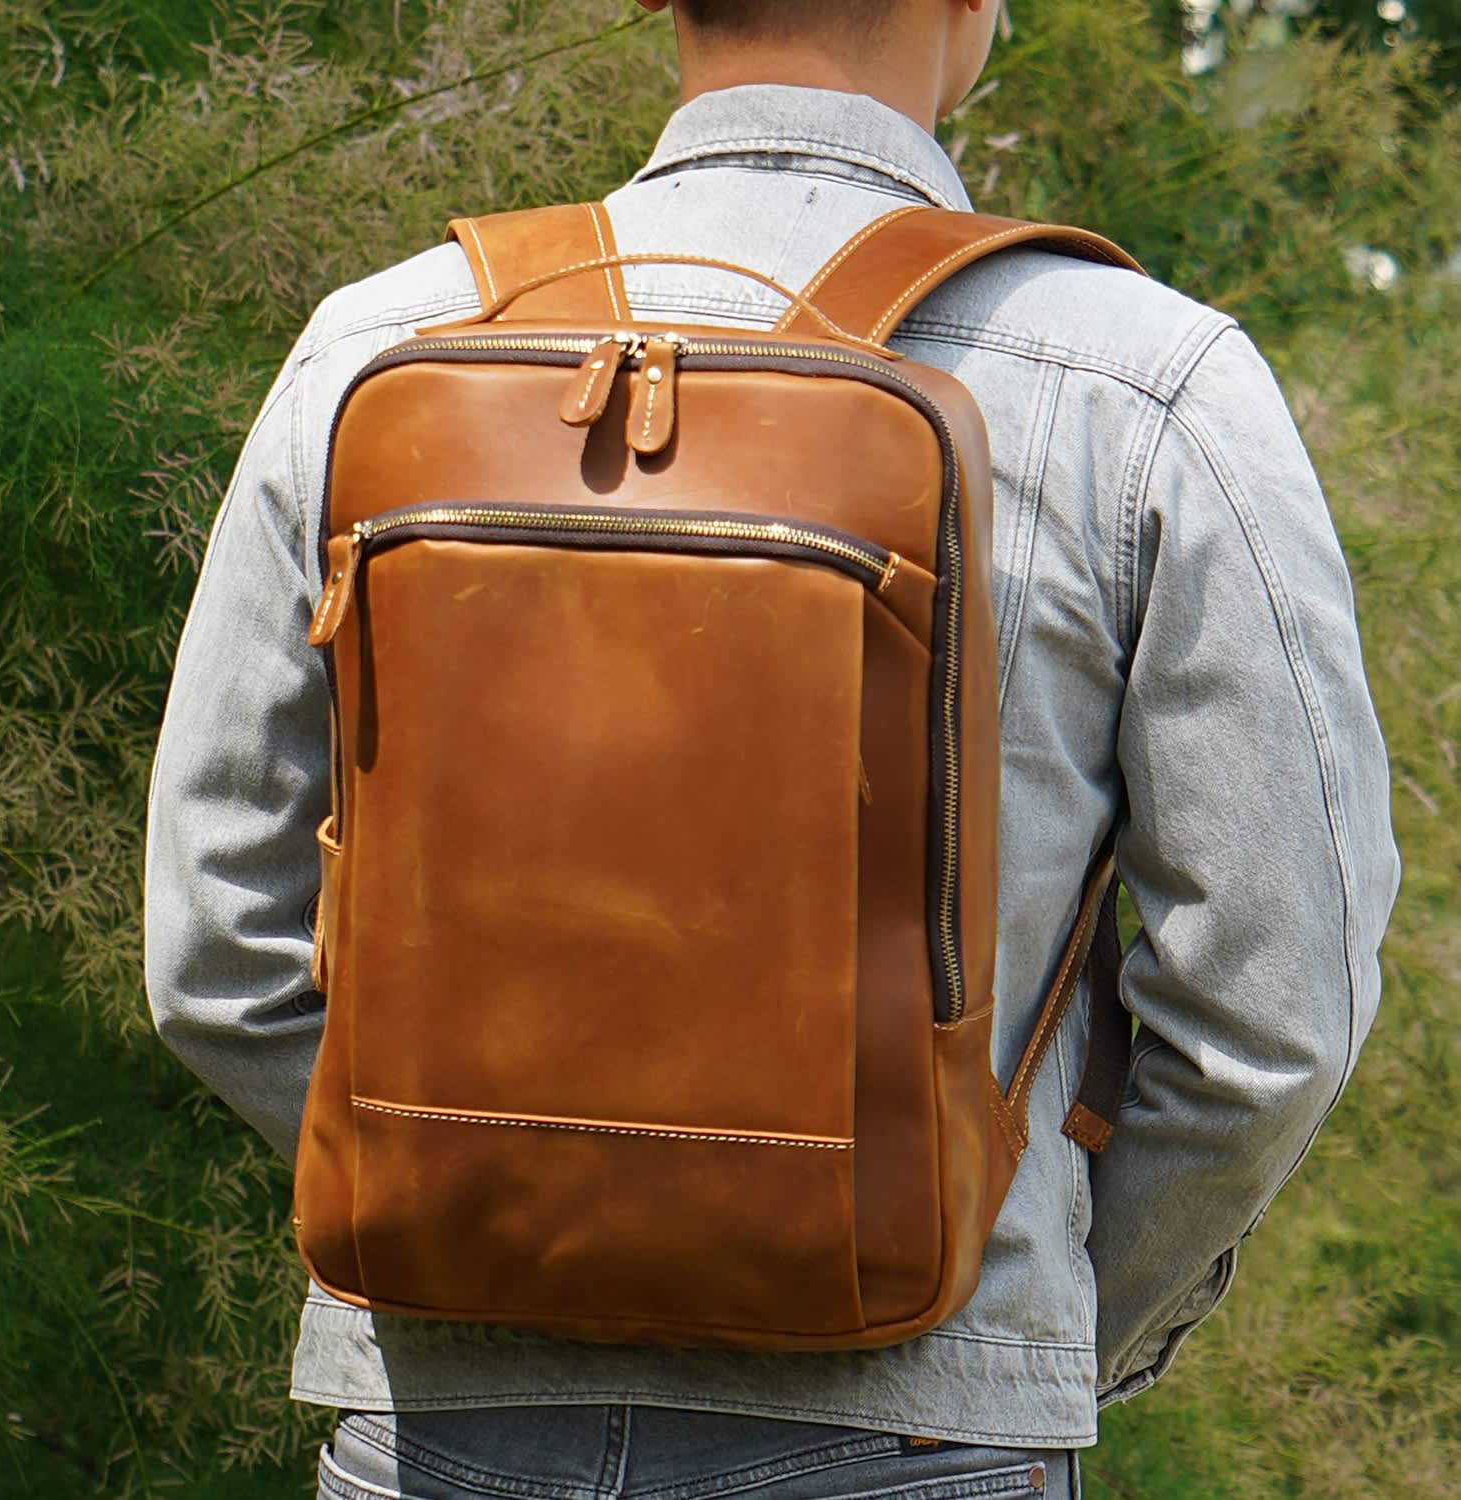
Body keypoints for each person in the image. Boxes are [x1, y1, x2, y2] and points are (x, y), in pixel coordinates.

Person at [142, 1, 1401, 1495]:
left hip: (442, 1420)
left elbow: (215, 949)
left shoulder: (378, 345)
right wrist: (1023, 1313)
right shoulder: (1145, 380)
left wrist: (474, 1199)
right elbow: (1272, 1018)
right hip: (916, 1430)